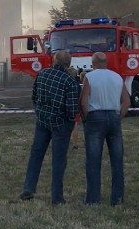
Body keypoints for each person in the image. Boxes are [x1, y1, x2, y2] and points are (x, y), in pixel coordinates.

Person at [20, 50, 80, 204]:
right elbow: (72, 109)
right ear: (68, 64)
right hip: (61, 124)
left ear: (54, 60)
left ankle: (28, 188)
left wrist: (41, 111)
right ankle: (57, 197)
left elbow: (34, 97)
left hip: (42, 121)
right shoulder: (70, 82)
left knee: (36, 154)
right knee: (59, 160)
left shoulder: (42, 74)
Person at [79, 52, 130, 206]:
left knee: (94, 160)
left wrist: (86, 118)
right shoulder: (117, 77)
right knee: (117, 160)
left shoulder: (90, 77)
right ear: (106, 63)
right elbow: (126, 101)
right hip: (113, 117)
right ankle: (117, 199)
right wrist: (119, 116)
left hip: (95, 117)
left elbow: (83, 101)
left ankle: (93, 199)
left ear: (92, 63)